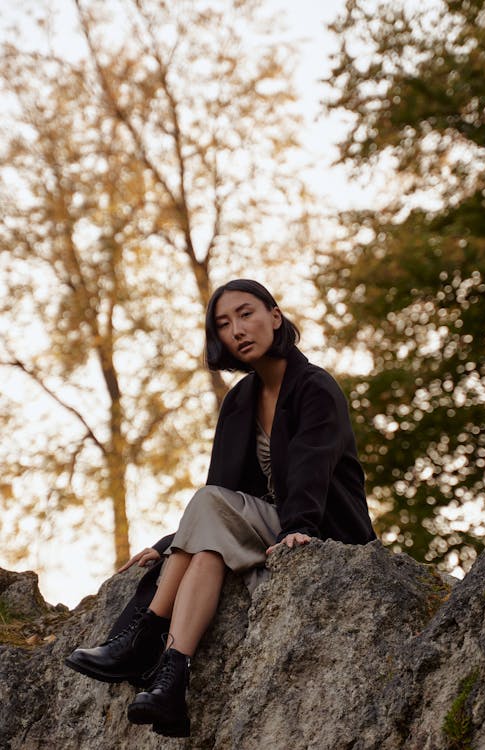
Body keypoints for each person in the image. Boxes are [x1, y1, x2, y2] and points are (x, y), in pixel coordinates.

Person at [65, 279, 376, 738]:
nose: (237, 330)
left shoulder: (315, 387)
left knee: (207, 511)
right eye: (224, 324)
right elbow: (224, 494)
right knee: (206, 552)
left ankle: (140, 634)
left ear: (275, 315)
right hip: (262, 527)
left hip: (320, 528)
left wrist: (300, 526)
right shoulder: (239, 400)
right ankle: (172, 680)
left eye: (246, 314)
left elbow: (313, 468)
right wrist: (168, 545)